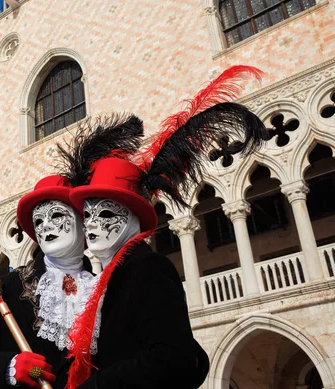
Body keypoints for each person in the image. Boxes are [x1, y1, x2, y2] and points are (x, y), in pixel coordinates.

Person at [57, 66, 269, 389]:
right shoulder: (112, 278)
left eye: (107, 215)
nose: (94, 225)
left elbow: (174, 358)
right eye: (89, 215)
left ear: (132, 216)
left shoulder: (148, 268)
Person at [0, 175, 94, 389]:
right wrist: (9, 367)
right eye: (38, 220)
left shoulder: (104, 288)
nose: (45, 226)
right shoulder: (6, 289)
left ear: (81, 220)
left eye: (56, 215)